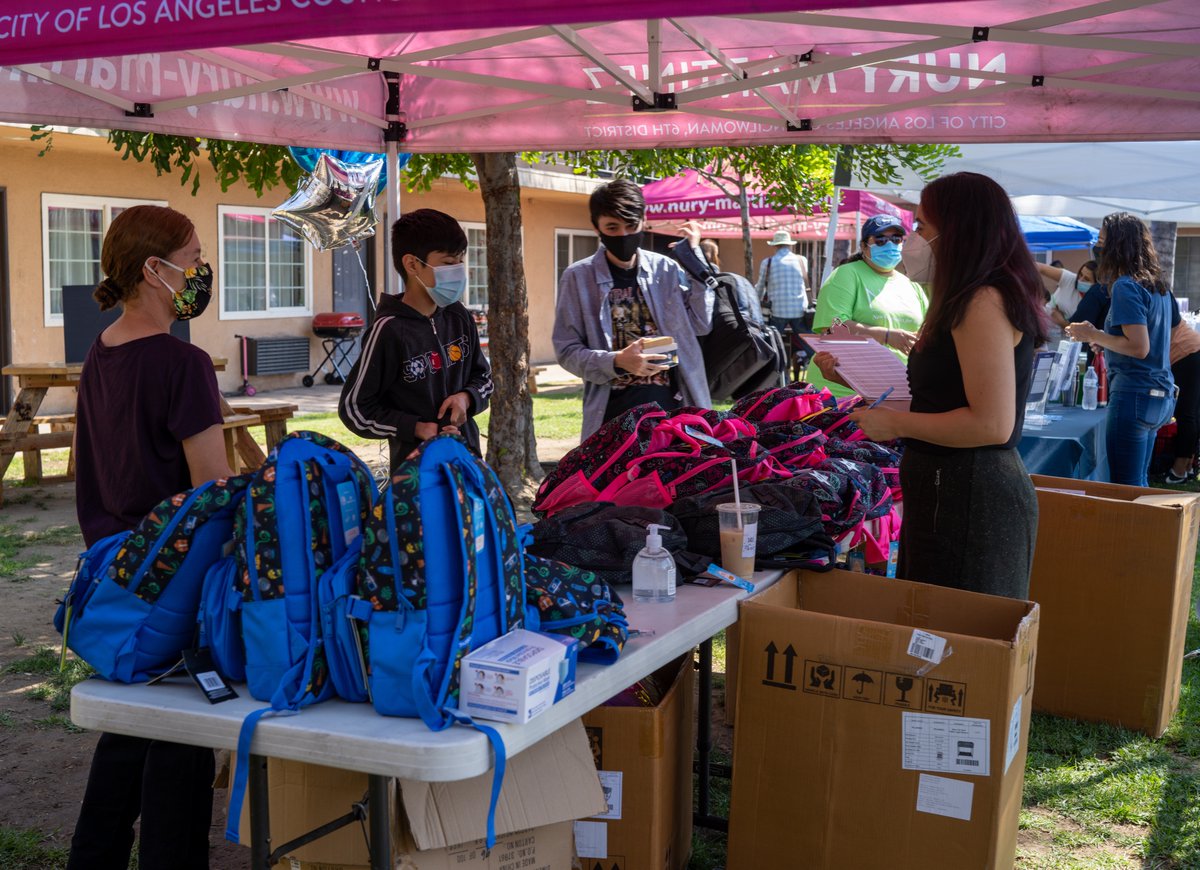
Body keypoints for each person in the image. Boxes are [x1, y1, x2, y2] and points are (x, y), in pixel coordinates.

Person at [68, 205, 232, 870]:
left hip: (113, 580)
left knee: (130, 734)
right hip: (175, 582)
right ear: (153, 270)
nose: (201, 272)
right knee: (180, 748)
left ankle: (93, 857)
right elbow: (213, 491)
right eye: (192, 260)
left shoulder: (100, 351)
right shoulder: (182, 364)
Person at [843, 172, 1048, 599]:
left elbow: (990, 424)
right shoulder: (963, 298)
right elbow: (943, 395)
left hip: (971, 497)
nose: (911, 240)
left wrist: (896, 424)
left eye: (921, 227)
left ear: (958, 232)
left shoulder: (982, 301)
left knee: (958, 644)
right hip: (947, 490)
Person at [553, 179, 713, 440]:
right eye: (612, 228)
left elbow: (700, 324)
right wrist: (616, 361)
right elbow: (566, 350)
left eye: (631, 226)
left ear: (644, 221)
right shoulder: (578, 277)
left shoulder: (666, 269)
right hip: (611, 418)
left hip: (675, 414)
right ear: (596, 227)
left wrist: (695, 260)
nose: (623, 235)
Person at [339, 208, 493, 472]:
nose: (457, 271)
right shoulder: (388, 331)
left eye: (460, 261)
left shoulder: (459, 316)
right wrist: (416, 428)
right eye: (447, 263)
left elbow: (484, 378)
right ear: (412, 264)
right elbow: (355, 408)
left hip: (468, 461)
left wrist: (466, 398)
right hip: (416, 477)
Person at [1066, 213, 1175, 487]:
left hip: (1134, 394)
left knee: (1125, 489)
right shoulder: (1157, 285)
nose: (1098, 247)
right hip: (1159, 394)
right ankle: (1151, 531)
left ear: (1117, 245)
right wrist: (1102, 338)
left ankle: (1137, 531)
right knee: (1138, 483)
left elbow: (1139, 347)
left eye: (1102, 240)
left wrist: (1092, 334)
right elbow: (1156, 336)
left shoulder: (1126, 285)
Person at [806, 214, 928, 397]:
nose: (890, 245)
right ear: (864, 246)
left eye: (896, 239)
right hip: (842, 392)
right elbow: (831, 327)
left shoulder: (912, 285)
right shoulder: (846, 274)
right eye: (880, 240)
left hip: (897, 389)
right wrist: (886, 336)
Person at [1166, 294, 1200, 483]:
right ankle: (1186, 466)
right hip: (1191, 350)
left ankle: (1179, 470)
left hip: (1184, 353)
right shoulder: (1161, 293)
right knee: (1191, 414)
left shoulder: (1153, 295)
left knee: (1186, 414)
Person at [755, 229, 813, 335]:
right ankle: (812, 352)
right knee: (806, 340)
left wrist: (756, 301)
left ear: (774, 246)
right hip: (800, 309)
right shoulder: (802, 260)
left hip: (777, 310)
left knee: (772, 341)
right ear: (789, 245)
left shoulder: (767, 262)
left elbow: (760, 286)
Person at [1038, 259, 1098, 329]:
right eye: (1080, 274)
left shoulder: (1094, 302)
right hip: (1045, 325)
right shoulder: (1071, 279)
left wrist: (1062, 322)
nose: (1080, 280)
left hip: (1066, 336)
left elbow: (1083, 331)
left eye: (1087, 279)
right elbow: (1040, 267)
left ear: (1096, 283)